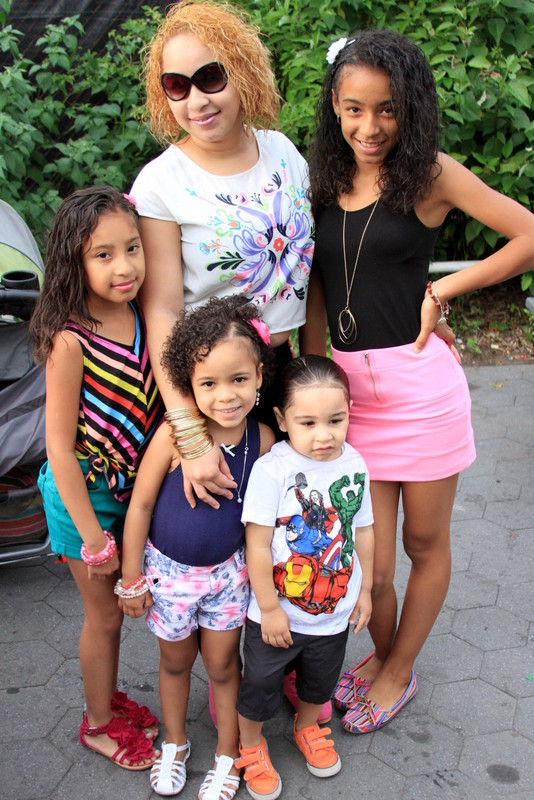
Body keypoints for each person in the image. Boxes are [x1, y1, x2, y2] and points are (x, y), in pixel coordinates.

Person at [301, 29, 534, 734]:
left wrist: (445, 290)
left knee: (422, 547)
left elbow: (527, 233)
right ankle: (382, 654)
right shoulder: (323, 176)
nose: (369, 127)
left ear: (411, 107)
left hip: (421, 391)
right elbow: (317, 287)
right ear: (335, 106)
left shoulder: (431, 173)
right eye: (354, 109)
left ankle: (398, 670)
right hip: (347, 397)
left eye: (387, 110)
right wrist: (311, 378)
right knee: (367, 564)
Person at [130, 0, 314, 509]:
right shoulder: (161, 184)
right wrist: (189, 429)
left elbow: (309, 269)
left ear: (243, 71)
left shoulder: (282, 152)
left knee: (292, 534)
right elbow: (162, 310)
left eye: (210, 77)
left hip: (282, 373)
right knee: (214, 536)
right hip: (213, 390)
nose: (196, 100)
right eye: (177, 85)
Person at [117, 296, 275, 798]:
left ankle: (228, 754)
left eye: (238, 379)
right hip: (168, 577)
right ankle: (175, 743)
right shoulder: (173, 437)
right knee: (175, 663)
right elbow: (140, 507)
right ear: (188, 383)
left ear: (259, 375)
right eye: (208, 384)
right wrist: (131, 577)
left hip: (229, 576)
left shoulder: (264, 440)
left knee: (224, 666)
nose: (225, 395)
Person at [30, 186, 162, 769]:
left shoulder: (144, 315)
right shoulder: (70, 339)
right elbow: (59, 449)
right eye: (103, 255)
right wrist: (93, 538)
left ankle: (106, 697)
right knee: (104, 615)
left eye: (132, 247)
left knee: (119, 612)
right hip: (83, 497)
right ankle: (98, 724)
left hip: (131, 490)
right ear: (74, 261)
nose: (124, 266)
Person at [235, 355, 374, 799]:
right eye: (308, 423)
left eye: (335, 420)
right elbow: (258, 545)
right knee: (259, 683)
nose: (324, 435)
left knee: (319, 682)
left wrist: (366, 590)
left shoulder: (354, 465)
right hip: (277, 614)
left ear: (350, 412)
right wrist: (269, 608)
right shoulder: (271, 470)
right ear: (281, 419)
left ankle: (307, 726)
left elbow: (363, 530)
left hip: (332, 612)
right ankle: (250, 745)